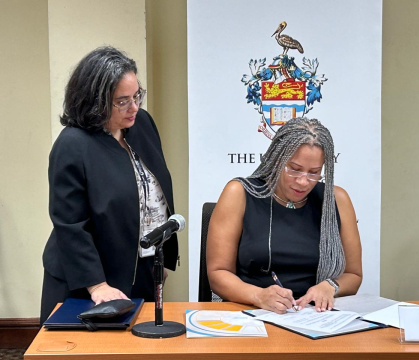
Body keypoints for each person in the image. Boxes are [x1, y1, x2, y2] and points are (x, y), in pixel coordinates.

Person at [40, 46, 178, 324]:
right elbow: (70, 224)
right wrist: (97, 285)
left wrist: (157, 256)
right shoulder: (72, 145)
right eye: (122, 101)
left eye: (137, 95)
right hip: (87, 282)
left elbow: (151, 193)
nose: (135, 107)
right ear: (95, 100)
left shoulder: (142, 124)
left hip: (140, 269)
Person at [207, 117, 362, 314]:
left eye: (314, 172)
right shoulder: (239, 194)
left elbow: (353, 274)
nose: (304, 181)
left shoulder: (337, 200)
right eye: (295, 169)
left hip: (315, 319)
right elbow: (218, 274)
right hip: (252, 314)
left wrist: (330, 286)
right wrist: (258, 296)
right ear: (277, 159)